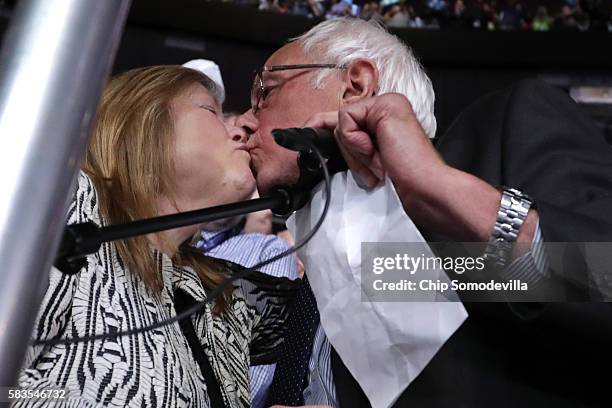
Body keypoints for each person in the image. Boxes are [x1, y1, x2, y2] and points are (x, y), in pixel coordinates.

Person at [238, 16, 612, 407]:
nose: (246, 121)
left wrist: (438, 187)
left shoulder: (506, 130)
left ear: (355, 87)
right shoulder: (311, 276)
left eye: (265, 92)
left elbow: (602, 279)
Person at [16, 66, 298, 408]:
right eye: (211, 110)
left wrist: (372, 177)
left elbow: (368, 296)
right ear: (143, 123)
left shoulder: (224, 296)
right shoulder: (67, 208)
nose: (241, 127)